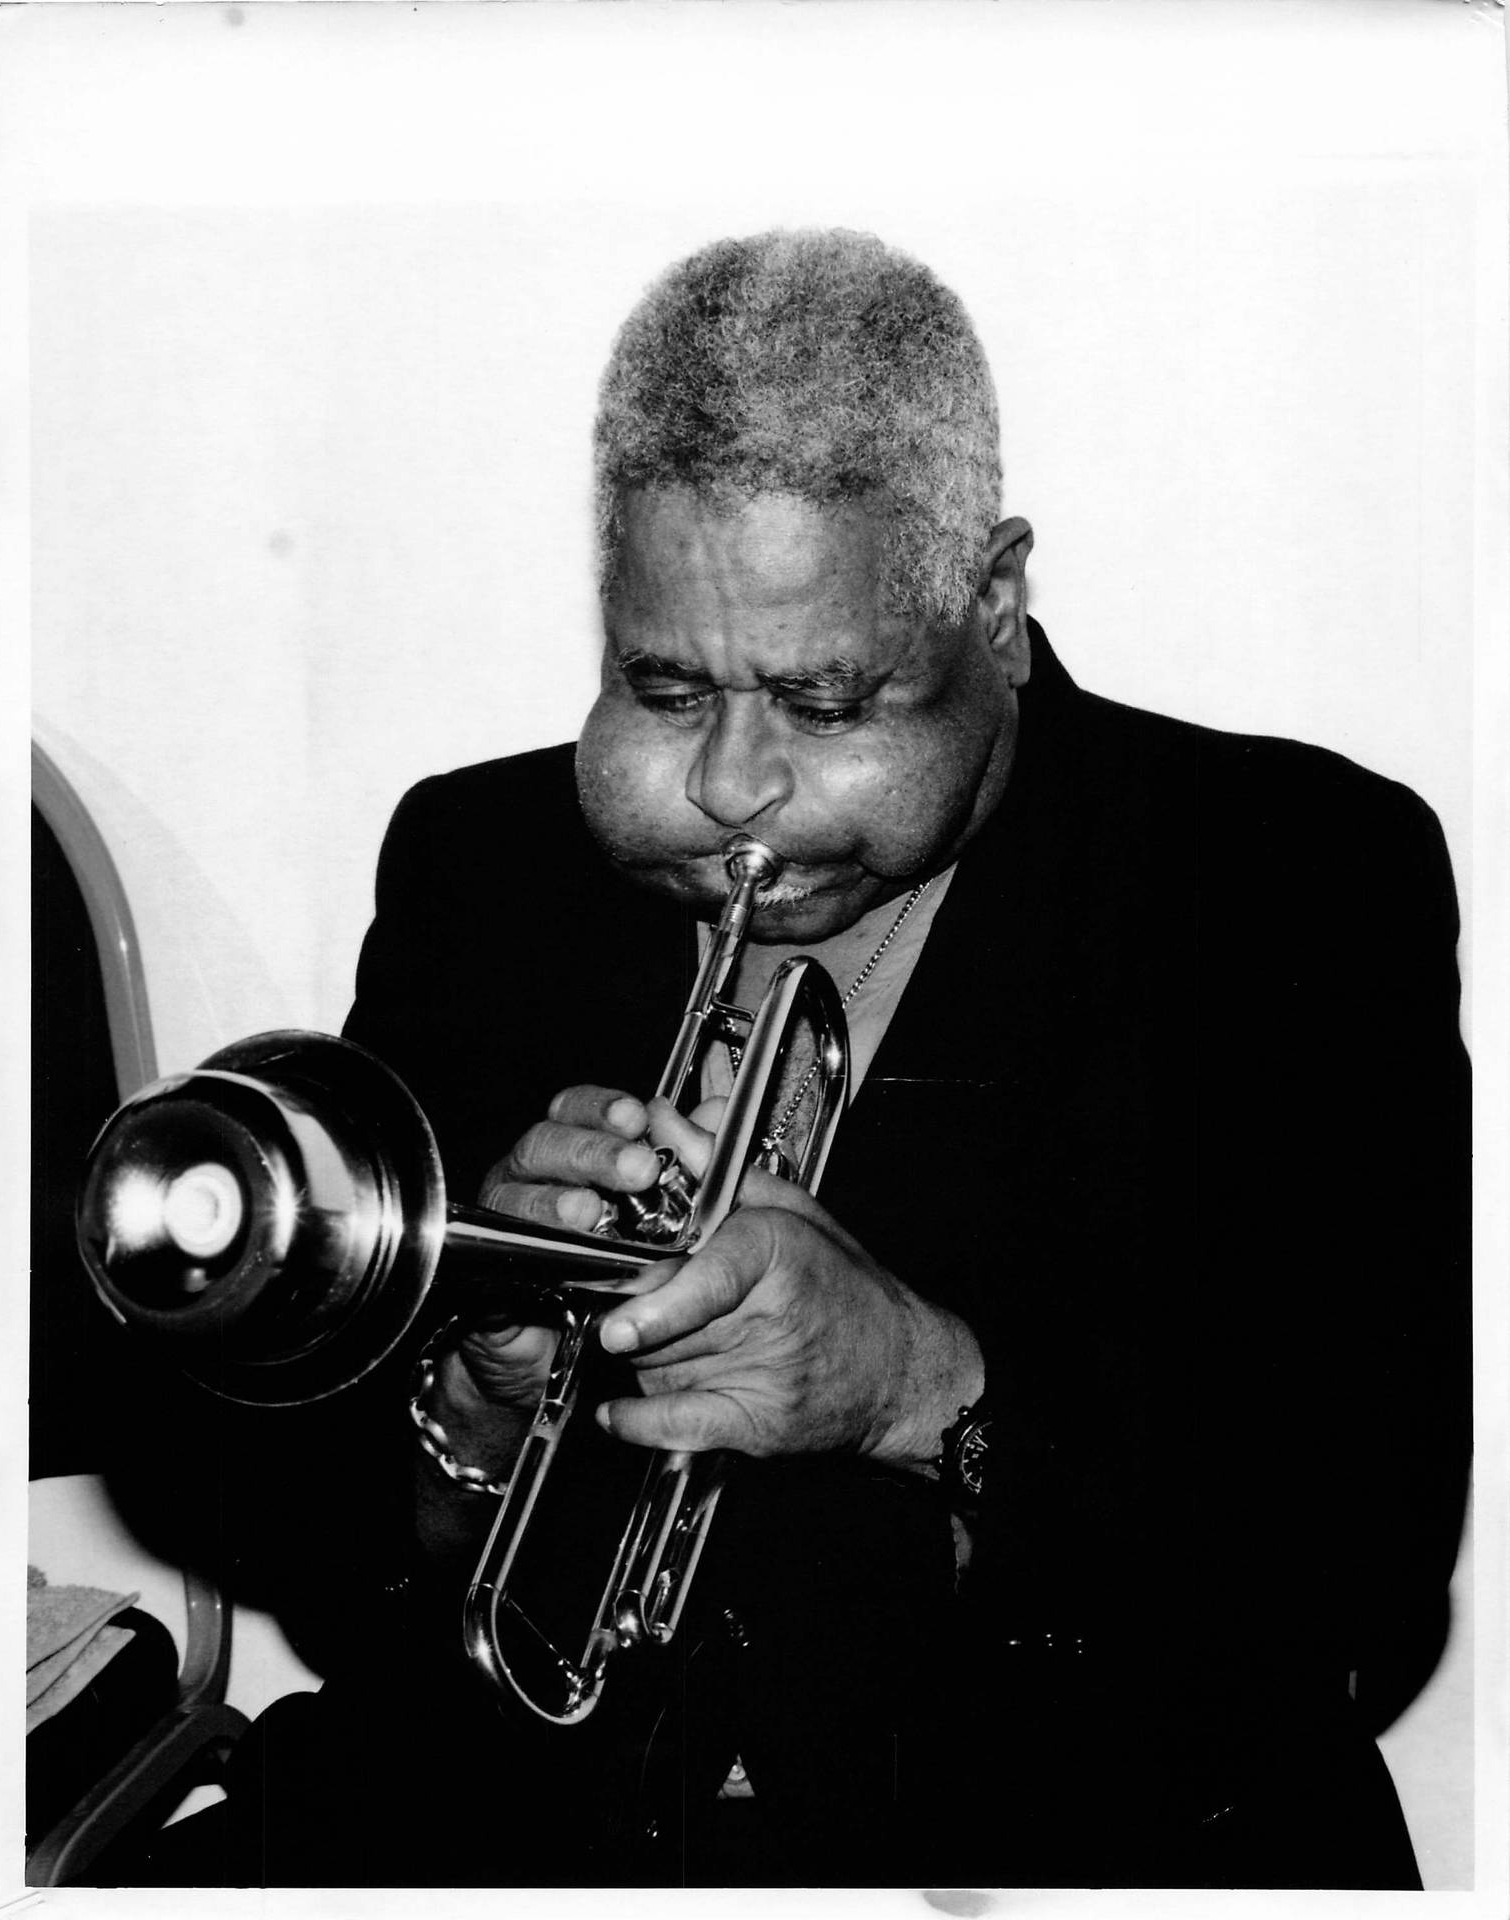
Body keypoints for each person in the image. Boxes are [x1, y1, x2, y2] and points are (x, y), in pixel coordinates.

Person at [206, 228, 1469, 1890]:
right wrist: (478, 1410)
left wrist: (919, 1393)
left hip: (1064, 1828)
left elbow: (1350, 1591)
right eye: (662, 687)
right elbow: (318, 1556)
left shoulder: (1286, 877)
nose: (734, 785)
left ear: (993, 607)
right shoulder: (476, 862)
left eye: (822, 703)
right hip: (531, 1828)